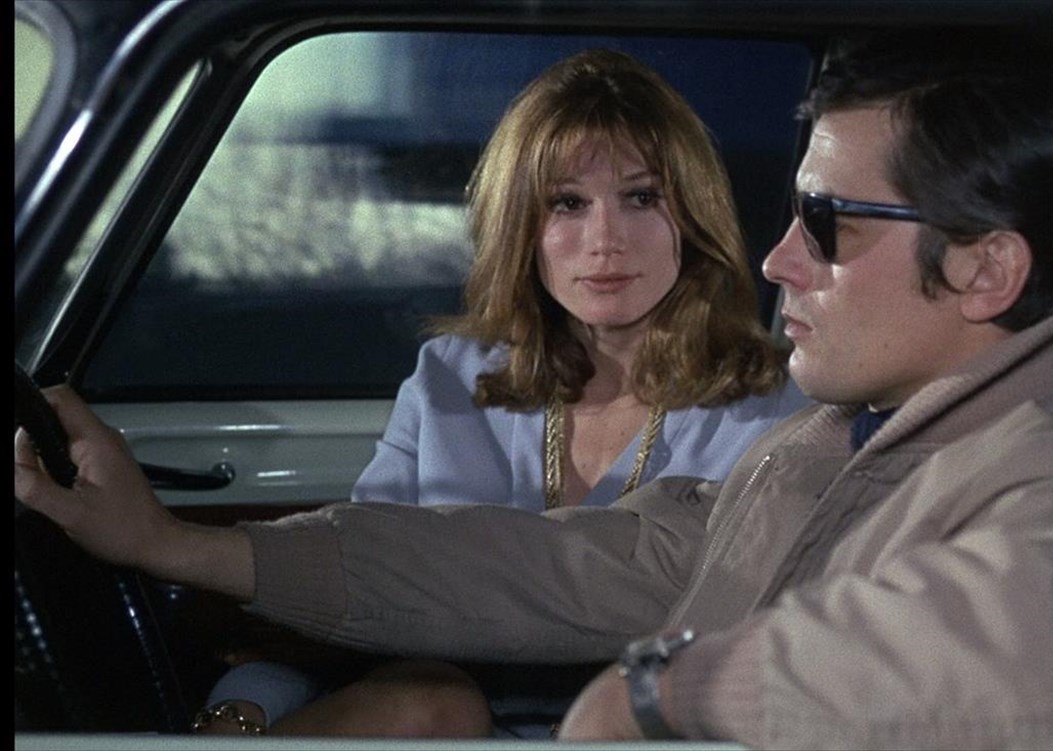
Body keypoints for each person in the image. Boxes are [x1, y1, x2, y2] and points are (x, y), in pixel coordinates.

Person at [15, 28, 1053, 749]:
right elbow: (585, 562)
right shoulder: (835, 447)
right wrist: (180, 546)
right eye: (565, 206)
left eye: (828, 223)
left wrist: (663, 692)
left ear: (988, 269)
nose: (778, 260)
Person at [188, 48, 809, 737]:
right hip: (455, 729)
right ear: (521, 225)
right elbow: (360, 583)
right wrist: (244, 708)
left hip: (653, 736)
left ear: (692, 216)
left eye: (641, 197)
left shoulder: (775, 405)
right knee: (427, 701)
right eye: (567, 203)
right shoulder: (451, 380)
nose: (605, 240)